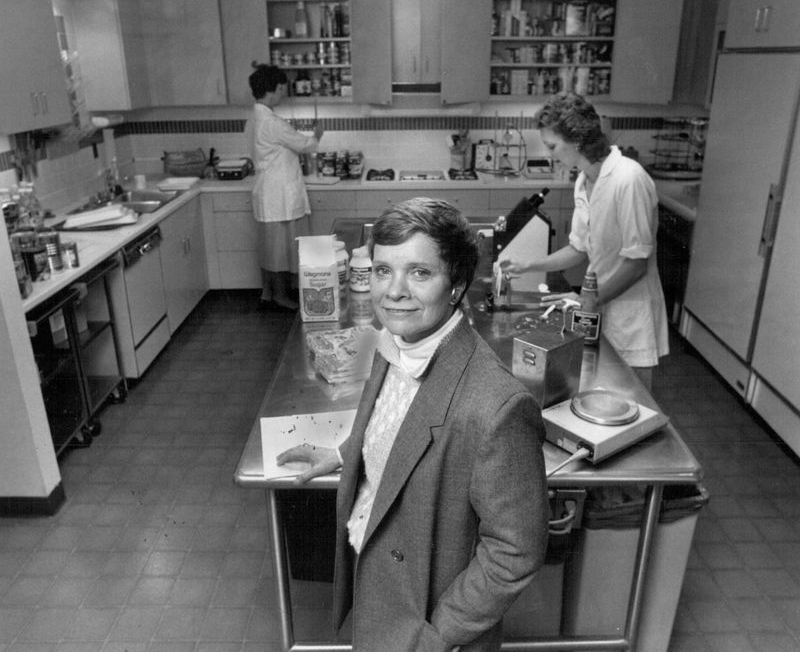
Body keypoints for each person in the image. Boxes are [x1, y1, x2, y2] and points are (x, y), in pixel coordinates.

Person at [277, 198, 549, 652]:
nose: (394, 291)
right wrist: (345, 453)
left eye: (420, 273)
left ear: (457, 283)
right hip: (378, 575)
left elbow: (515, 551)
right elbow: (398, 426)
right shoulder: (397, 340)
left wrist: (439, 635)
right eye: (384, 270)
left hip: (427, 620)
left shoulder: (496, 406)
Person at [498, 92, 668, 388]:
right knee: (596, 392)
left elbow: (637, 263)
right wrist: (528, 265)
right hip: (597, 309)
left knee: (631, 401)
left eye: (553, 146)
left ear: (576, 140)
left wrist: (586, 299)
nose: (550, 154)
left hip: (631, 316)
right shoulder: (584, 179)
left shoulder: (628, 179)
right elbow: (579, 249)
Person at [244, 64, 323, 310]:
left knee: (269, 247)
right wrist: (317, 134)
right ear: (272, 89)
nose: (283, 94)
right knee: (278, 249)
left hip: (267, 191)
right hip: (277, 195)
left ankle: (267, 292)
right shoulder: (272, 122)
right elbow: (305, 145)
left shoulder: (254, 119)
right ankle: (280, 296)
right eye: (281, 88)